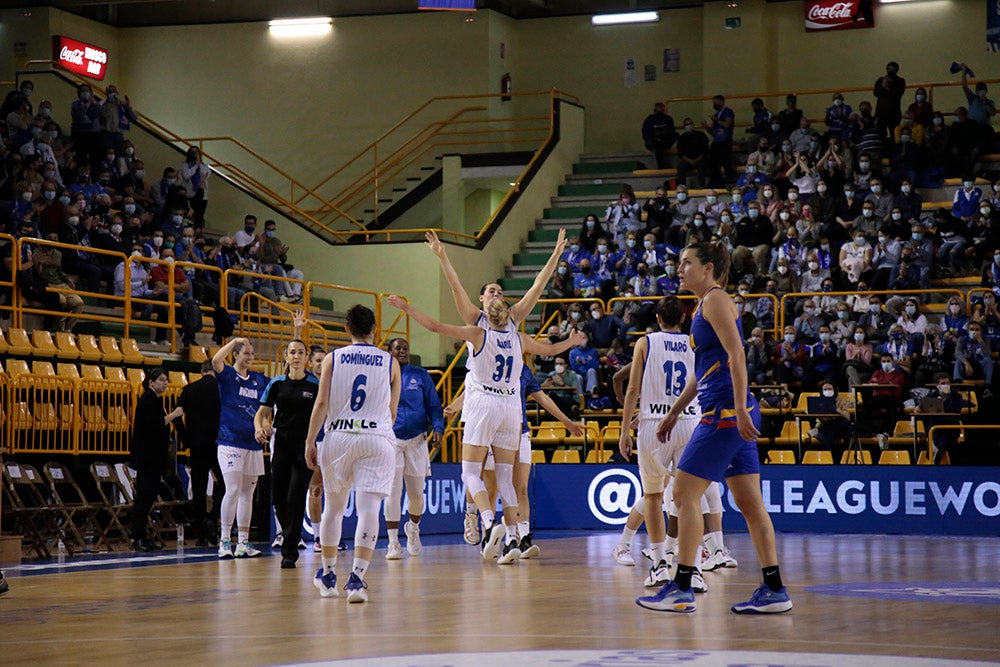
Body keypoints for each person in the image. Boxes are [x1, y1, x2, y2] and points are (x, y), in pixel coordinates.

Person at [636, 242, 792, 615]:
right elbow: (703, 370)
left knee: (683, 493)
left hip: (724, 413)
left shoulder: (716, 300)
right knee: (750, 505)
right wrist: (674, 412)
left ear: (708, 268)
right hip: (729, 410)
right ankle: (774, 589)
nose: (679, 269)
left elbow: (737, 354)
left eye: (686, 263)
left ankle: (681, 586)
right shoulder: (704, 304)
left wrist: (736, 408)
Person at [388, 293, 581, 564]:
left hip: (484, 406)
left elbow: (435, 326)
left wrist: (407, 307)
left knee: (470, 473)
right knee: (505, 479)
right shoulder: (519, 339)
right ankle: (512, 538)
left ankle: (488, 522)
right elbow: (549, 350)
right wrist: (571, 342)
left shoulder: (479, 335)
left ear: (486, 315)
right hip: (510, 410)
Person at [618, 296, 726, 593]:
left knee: (653, 496)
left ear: (657, 318)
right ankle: (695, 569)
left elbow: (632, 388)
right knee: (691, 497)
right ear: (683, 318)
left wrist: (624, 429)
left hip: (654, 424)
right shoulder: (695, 343)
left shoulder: (645, 342)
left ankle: (659, 565)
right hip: (688, 421)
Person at [305, 305, 401, 603]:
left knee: (334, 509)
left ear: (346, 328)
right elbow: (392, 412)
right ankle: (357, 580)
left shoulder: (332, 358)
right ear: (375, 329)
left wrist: (310, 441)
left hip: (339, 436)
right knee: (369, 509)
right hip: (376, 437)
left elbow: (322, 403)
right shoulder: (390, 362)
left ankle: (328, 574)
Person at [254, 339, 319, 569]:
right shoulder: (276, 384)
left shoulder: (315, 385)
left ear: (306, 357)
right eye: (292, 352)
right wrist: (259, 427)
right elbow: (261, 413)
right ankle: (290, 534)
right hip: (281, 443)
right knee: (279, 498)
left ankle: (289, 551)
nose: (296, 356)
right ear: (286, 357)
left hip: (304, 445)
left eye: (301, 352)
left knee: (295, 497)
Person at [383, 337, 444, 561]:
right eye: (397, 348)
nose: (402, 351)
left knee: (416, 494)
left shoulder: (421, 375)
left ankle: (413, 528)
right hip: (391, 439)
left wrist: (438, 427)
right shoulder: (382, 376)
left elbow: (434, 406)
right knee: (392, 492)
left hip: (418, 439)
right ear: (389, 352)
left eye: (406, 348)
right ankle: (392, 541)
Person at [212, 337, 270, 558]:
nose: (250, 357)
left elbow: (268, 402)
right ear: (235, 355)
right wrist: (234, 341)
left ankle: (243, 542)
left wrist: (265, 423)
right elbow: (215, 360)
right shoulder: (227, 374)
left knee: (248, 493)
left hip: (253, 444)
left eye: (252, 354)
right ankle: (225, 541)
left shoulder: (258, 380)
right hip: (230, 441)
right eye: (246, 353)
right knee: (233, 489)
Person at [129, 368, 184, 552]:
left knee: (148, 496)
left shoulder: (154, 399)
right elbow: (156, 424)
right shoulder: (149, 399)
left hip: (152, 458)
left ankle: (143, 536)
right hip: (148, 458)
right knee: (144, 497)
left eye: (166, 380)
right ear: (151, 382)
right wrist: (174, 415)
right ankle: (138, 537)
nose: (165, 383)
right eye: (161, 380)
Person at [176, 359, 223, 546]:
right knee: (227, 485)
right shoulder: (222, 389)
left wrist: (185, 437)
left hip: (196, 445)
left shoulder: (189, 389)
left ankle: (201, 535)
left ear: (202, 371)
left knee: (199, 488)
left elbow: (176, 416)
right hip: (219, 444)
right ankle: (212, 518)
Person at [641, 102, 677, 169]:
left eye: (661, 110)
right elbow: (645, 134)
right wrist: (656, 138)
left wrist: (663, 138)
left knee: (676, 135)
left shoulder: (668, 119)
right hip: (654, 142)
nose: (660, 112)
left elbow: (672, 132)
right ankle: (661, 166)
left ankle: (662, 165)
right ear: (654, 110)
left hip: (665, 141)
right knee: (658, 145)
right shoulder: (649, 120)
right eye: (658, 110)